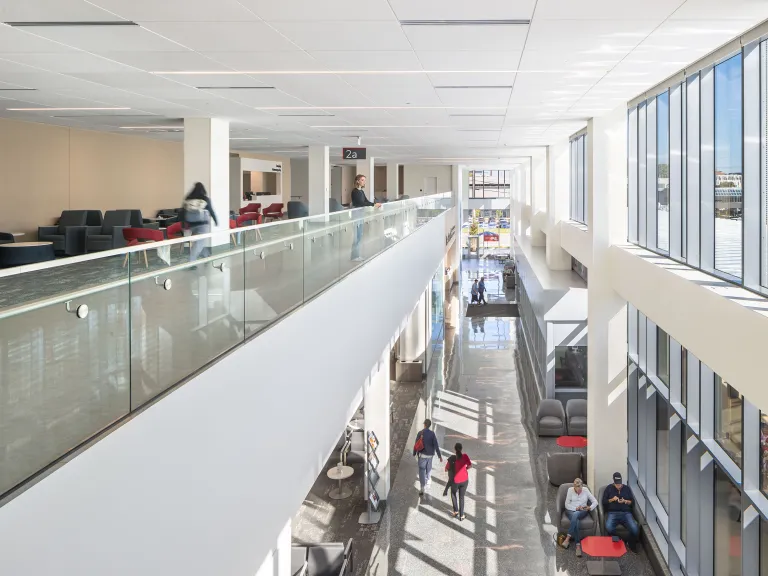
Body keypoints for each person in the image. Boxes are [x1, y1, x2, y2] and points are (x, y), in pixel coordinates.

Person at [179, 182, 218, 263]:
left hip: (191, 224)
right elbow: (211, 210)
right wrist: (215, 220)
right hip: (203, 224)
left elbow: (182, 211)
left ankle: (206, 255)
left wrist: (183, 223)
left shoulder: (188, 199)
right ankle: (191, 261)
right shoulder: (205, 199)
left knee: (199, 241)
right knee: (199, 242)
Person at [602, 472, 640, 551]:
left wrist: (625, 501)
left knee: (635, 529)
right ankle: (619, 538)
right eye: (617, 485)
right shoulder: (609, 488)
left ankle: (629, 542)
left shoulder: (627, 488)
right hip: (613, 513)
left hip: (626, 513)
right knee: (608, 527)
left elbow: (632, 502)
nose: (618, 486)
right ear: (613, 482)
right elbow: (604, 502)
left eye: (619, 484)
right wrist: (612, 499)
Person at [561, 478, 598, 557]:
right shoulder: (570, 490)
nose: (579, 491)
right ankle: (578, 546)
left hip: (582, 511)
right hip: (570, 510)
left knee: (576, 514)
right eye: (578, 490)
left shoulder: (585, 490)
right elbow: (566, 505)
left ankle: (567, 538)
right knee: (576, 520)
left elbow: (595, 502)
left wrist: (590, 508)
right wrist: (575, 508)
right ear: (574, 487)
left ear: (582, 486)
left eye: (580, 489)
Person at [350, 174, 381, 262]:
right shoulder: (355, 191)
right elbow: (360, 203)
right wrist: (373, 205)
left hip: (360, 215)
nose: (364, 182)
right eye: (362, 180)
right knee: (357, 236)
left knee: (359, 235)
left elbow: (366, 201)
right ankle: (354, 256)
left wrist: (374, 204)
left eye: (364, 180)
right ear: (357, 181)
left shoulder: (361, 191)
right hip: (356, 215)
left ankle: (356, 255)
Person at [412, 419, 442, 496]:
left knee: (422, 470)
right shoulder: (432, 434)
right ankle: (428, 479)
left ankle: (422, 487)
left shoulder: (420, 433)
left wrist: (414, 453)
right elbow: (436, 445)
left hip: (422, 455)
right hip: (430, 455)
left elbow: (416, 444)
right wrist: (439, 456)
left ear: (424, 424)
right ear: (429, 425)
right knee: (429, 467)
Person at [446, 442, 472, 520]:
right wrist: (465, 469)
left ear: (454, 449)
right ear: (461, 449)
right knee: (461, 497)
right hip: (464, 480)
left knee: (453, 493)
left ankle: (456, 511)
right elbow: (470, 466)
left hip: (455, 481)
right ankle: (461, 515)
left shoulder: (452, 458)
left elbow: (447, 468)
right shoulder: (465, 456)